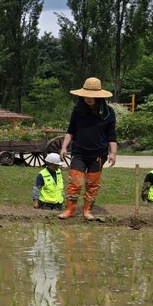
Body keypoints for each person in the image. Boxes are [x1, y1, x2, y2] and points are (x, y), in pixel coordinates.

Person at [58, 77, 117, 221]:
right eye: (86, 95)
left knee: (92, 183)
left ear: (99, 97)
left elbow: (112, 135)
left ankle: (87, 211)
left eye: (92, 96)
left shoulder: (108, 113)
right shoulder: (78, 112)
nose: (88, 98)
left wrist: (113, 153)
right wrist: (64, 147)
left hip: (98, 154)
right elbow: (71, 130)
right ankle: (70, 210)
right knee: (75, 182)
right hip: (79, 152)